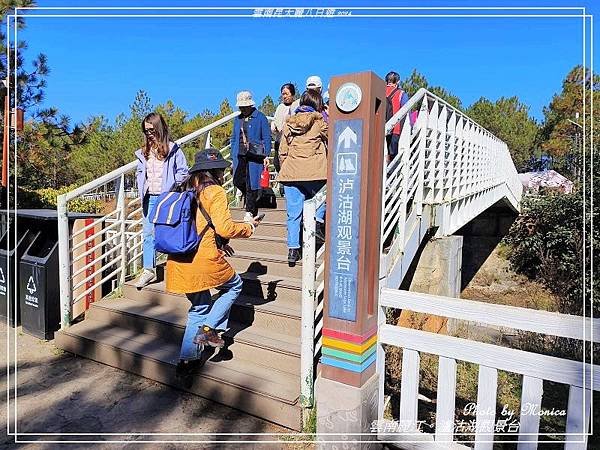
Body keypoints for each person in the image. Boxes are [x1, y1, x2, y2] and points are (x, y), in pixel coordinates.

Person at [165, 148, 261, 371]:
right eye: (221, 170)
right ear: (215, 171)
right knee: (235, 286)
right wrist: (248, 227)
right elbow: (225, 227)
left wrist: (220, 242)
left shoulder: (183, 189)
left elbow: (197, 223)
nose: (223, 174)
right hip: (202, 258)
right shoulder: (214, 191)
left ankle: (186, 364)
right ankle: (209, 329)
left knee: (199, 307)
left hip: (179, 258)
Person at [134, 112, 188, 288]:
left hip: (167, 198)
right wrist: (141, 183)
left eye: (151, 129)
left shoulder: (173, 149)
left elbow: (183, 171)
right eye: (145, 130)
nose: (149, 133)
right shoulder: (144, 152)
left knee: (168, 233)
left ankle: (176, 268)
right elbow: (141, 172)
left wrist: (173, 185)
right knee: (148, 234)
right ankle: (149, 270)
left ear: (158, 127)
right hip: (150, 198)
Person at [278, 89, 327, 266]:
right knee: (323, 199)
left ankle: (292, 250)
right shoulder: (319, 122)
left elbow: (282, 151)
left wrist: (286, 167)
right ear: (317, 105)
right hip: (315, 173)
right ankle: (318, 222)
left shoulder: (289, 123)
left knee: (293, 214)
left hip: (292, 173)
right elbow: (333, 138)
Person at [230, 91, 272, 222]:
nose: (242, 108)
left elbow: (266, 138)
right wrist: (232, 157)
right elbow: (234, 138)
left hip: (255, 155)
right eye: (240, 106)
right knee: (238, 181)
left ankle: (250, 211)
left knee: (251, 183)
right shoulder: (237, 119)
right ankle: (252, 204)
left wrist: (266, 155)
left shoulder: (260, 117)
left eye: (244, 106)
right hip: (240, 155)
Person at [271, 83, 299, 173]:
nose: (284, 96)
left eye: (286, 94)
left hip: (291, 142)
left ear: (292, 94)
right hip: (279, 141)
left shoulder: (297, 106)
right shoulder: (280, 107)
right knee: (277, 164)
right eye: (283, 94)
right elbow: (276, 121)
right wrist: (274, 126)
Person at [385, 71, 410, 163]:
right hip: (395, 128)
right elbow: (407, 110)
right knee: (393, 156)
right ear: (398, 81)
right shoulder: (401, 94)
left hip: (380, 128)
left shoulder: (379, 90)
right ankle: (392, 174)